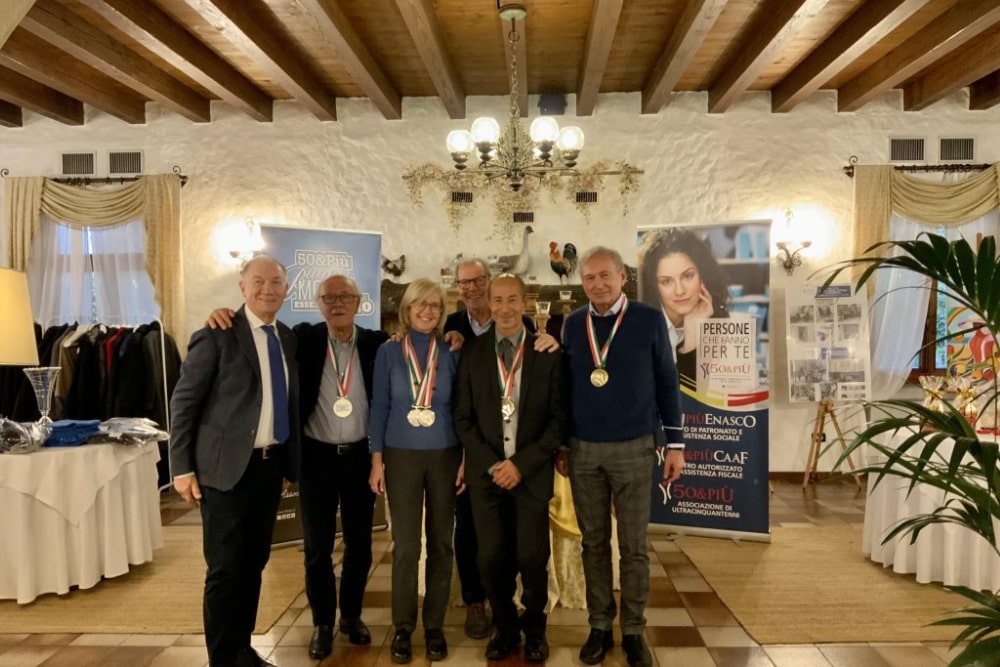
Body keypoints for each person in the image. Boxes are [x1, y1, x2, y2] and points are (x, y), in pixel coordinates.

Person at [169, 255, 301, 667]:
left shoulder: (288, 337)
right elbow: (184, 403)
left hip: (269, 469)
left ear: (286, 289)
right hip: (224, 472)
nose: (268, 289)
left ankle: (242, 650)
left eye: (276, 282)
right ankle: (223, 659)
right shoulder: (216, 334)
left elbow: (289, 403)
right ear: (242, 288)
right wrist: (180, 468)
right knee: (225, 570)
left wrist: (288, 467)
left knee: (254, 563)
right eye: (258, 281)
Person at [558, 246, 685, 667]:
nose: (597, 284)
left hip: (635, 445)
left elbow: (668, 382)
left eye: (605, 276)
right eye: (589, 278)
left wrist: (676, 444)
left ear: (622, 276)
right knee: (593, 543)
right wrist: (561, 444)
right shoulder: (572, 325)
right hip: (583, 450)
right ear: (582, 283)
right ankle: (599, 625)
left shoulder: (649, 319)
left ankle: (633, 630)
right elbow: (563, 390)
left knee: (632, 546)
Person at [453, 273, 569, 662]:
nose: (504, 308)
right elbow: (463, 419)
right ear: (489, 302)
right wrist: (492, 465)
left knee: (533, 559)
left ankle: (535, 629)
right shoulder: (472, 352)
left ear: (524, 303)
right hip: (487, 479)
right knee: (490, 558)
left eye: (512, 300)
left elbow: (558, 422)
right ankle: (504, 628)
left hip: (530, 476)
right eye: (497, 300)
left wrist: (519, 465)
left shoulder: (547, 352)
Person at [369, 278, 463, 664]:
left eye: (435, 306)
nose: (427, 311)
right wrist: (376, 459)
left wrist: (466, 458)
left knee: (442, 544)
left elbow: (463, 408)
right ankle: (404, 627)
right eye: (420, 305)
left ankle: (435, 626)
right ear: (406, 309)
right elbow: (379, 406)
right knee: (407, 546)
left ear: (442, 313)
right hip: (401, 456)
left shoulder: (453, 350)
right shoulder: (389, 352)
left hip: (445, 455)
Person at [637, 228, 730, 387]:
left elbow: (704, 396)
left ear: (703, 276)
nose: (679, 291)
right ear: (654, 285)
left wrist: (694, 331)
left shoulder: (715, 318)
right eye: (666, 281)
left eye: (687, 276)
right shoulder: (642, 326)